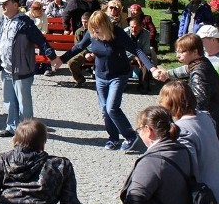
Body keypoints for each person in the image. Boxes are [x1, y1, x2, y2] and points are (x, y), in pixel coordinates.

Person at [58, 11, 157, 151]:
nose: (94, 31)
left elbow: (136, 50)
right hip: (100, 77)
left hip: (118, 75)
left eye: (96, 28)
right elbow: (78, 47)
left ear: (105, 25)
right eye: (92, 29)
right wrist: (60, 60)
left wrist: (152, 68)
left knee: (112, 108)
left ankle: (130, 136)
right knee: (105, 110)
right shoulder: (92, 33)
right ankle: (113, 138)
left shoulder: (117, 33)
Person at [154, 34, 219, 176]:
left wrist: (187, 120)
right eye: (177, 51)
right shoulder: (200, 63)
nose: (178, 55)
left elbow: (199, 102)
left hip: (213, 123)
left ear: (195, 52)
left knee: (217, 159)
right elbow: (184, 70)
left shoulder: (199, 72)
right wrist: (167, 74)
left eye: (182, 51)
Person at [0, 0, 62, 138]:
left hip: (22, 69)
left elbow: (41, 40)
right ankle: (12, 127)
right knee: (9, 101)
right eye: (2, 3)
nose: (3, 6)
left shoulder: (25, 22)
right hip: (6, 68)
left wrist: (52, 57)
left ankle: (28, 133)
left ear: (15, 5)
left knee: (24, 103)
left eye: (6, 3)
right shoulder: (3, 20)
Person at [67, 13, 94, 87]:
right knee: (71, 62)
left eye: (86, 22)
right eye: (83, 22)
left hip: (97, 52)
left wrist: (93, 53)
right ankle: (80, 80)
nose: (84, 24)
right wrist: (86, 53)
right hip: (84, 52)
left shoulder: (96, 30)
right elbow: (78, 47)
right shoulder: (79, 31)